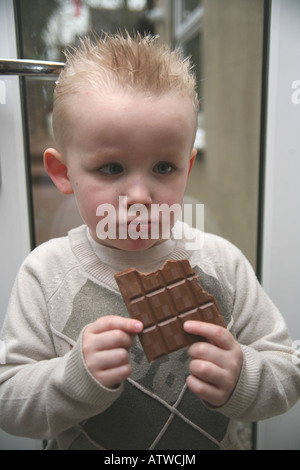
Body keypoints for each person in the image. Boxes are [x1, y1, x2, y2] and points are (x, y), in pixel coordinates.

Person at [0, 33, 299, 451]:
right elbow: (8, 403)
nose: (140, 196)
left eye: (163, 167)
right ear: (63, 172)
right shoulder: (46, 274)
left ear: (187, 166)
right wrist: (73, 377)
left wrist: (243, 378)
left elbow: (287, 373)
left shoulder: (221, 264)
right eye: (111, 168)